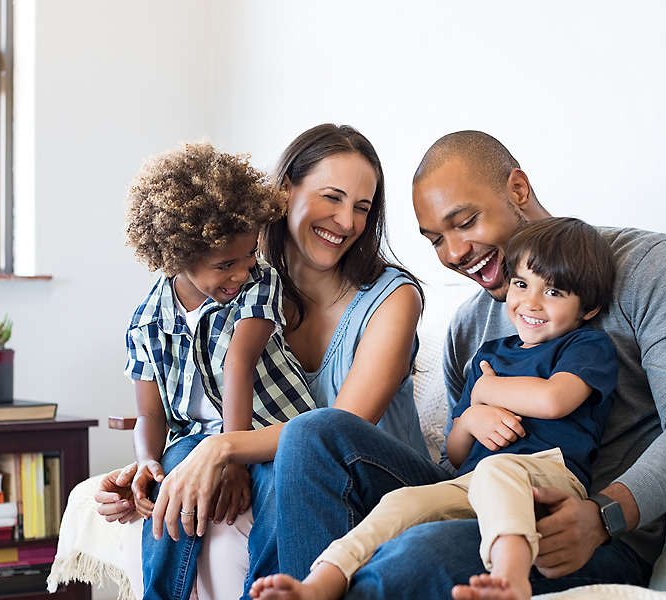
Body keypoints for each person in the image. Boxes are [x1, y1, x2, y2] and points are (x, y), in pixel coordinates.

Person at [256, 130, 666, 599]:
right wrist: (471, 418)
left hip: (583, 530)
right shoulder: (469, 327)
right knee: (314, 433)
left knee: (413, 556)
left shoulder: (645, 266)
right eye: (435, 241)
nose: (453, 254)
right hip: (481, 498)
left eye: (465, 222)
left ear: (518, 190)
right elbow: (458, 461)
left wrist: (605, 514)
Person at [94, 124, 431, 600]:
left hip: (374, 480)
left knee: (292, 457)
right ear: (284, 191)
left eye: (362, 207)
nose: (347, 221)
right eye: (332, 198)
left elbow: (339, 429)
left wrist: (224, 449)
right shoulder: (240, 284)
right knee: (186, 466)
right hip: (277, 459)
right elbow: (186, 400)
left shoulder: (391, 298)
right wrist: (151, 469)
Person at [249, 216, 618, 600]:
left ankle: (511, 577)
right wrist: (472, 415)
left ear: (588, 309)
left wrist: (488, 390)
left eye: (554, 293)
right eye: (522, 284)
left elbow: (554, 399)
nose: (531, 303)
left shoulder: (585, 346)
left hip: (549, 478)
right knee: (401, 502)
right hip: (471, 482)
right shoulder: (489, 355)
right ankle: (321, 582)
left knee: (497, 469)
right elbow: (456, 453)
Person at [123, 143, 317, 600]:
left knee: (278, 486)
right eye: (224, 265)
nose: (241, 271)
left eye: (248, 254)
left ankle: (268, 591)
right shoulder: (147, 321)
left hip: (273, 430)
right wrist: (148, 461)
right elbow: (150, 415)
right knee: (173, 481)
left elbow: (238, 362)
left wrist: (230, 457)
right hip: (194, 437)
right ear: (176, 257)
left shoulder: (260, 281)